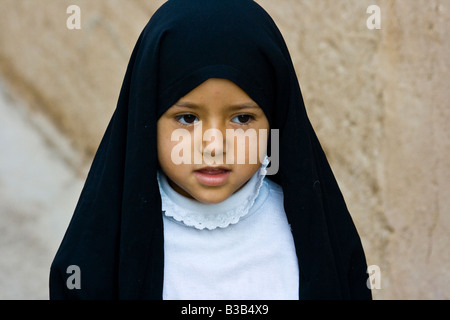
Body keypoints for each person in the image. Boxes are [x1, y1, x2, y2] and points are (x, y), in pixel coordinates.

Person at [49, 0, 372, 300]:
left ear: (276, 123)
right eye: (187, 118)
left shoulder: (314, 238)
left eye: (242, 118)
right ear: (145, 121)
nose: (214, 146)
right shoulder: (103, 254)